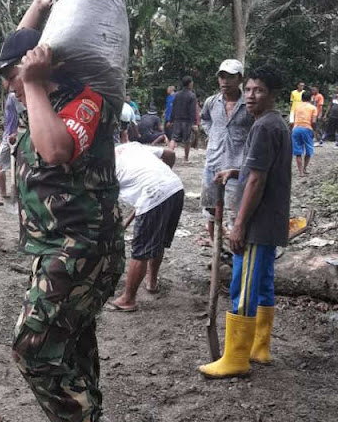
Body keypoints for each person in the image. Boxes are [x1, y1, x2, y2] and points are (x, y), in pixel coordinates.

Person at [0, 0, 124, 422]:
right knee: (73, 343)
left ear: (45, 73)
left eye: (12, 79)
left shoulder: (85, 100)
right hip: (56, 249)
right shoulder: (37, 98)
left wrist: (33, 83)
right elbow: (22, 48)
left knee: (33, 347)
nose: (9, 87)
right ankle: (89, 412)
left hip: (81, 249)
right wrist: (38, 6)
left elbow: (56, 150)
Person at [198, 65, 291, 379]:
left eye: (258, 90)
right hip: (272, 219)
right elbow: (260, 169)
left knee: (244, 286)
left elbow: (257, 182)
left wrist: (238, 225)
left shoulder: (263, 127)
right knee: (263, 283)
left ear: (273, 95)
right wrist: (235, 172)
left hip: (258, 222)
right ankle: (259, 347)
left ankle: (236, 357)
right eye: (249, 89)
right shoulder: (274, 124)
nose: (251, 95)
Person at [107, 134, 183, 312]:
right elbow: (169, 154)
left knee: (140, 250)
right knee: (159, 241)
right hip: (175, 187)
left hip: (153, 194)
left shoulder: (104, 167)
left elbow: (107, 207)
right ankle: (152, 282)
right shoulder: (132, 146)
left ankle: (128, 299)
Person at [200, 59, 254, 244]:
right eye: (222, 77)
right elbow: (205, 120)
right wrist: (213, 134)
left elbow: (257, 128)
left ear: (240, 79)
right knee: (211, 209)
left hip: (237, 167)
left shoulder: (249, 104)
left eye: (230, 77)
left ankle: (235, 249)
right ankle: (217, 247)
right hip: (213, 164)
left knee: (236, 211)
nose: (225, 81)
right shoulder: (211, 102)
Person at [0, 80, 24, 199]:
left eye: (4, 80)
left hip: (12, 136)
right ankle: (8, 192)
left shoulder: (13, 96)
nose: (3, 83)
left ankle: (5, 193)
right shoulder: (10, 95)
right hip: (8, 134)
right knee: (14, 164)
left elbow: (23, 114)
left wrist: (16, 132)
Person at [169, 76, 197, 162]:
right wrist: (194, 123)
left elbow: (173, 108)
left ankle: (168, 156)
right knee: (187, 140)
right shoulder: (192, 95)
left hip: (177, 119)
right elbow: (192, 110)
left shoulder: (177, 95)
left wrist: (171, 120)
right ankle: (186, 158)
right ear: (190, 83)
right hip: (187, 121)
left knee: (174, 138)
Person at [291, 90, 317, 176]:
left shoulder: (297, 107)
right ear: (311, 98)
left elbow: (293, 119)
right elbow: (313, 121)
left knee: (298, 151)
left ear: (302, 98)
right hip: (307, 128)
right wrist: (314, 131)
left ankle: (300, 172)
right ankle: (305, 168)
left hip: (296, 128)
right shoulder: (313, 108)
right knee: (309, 150)